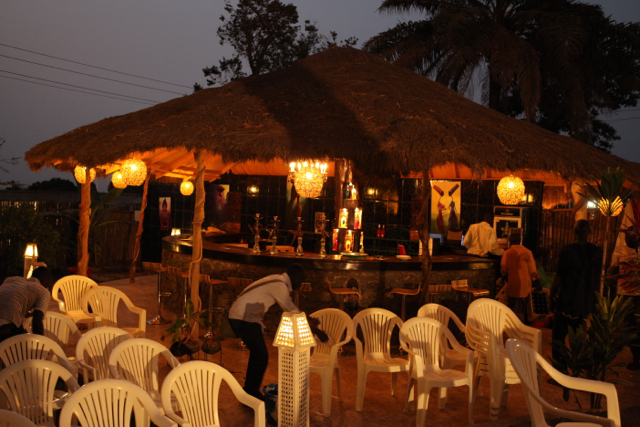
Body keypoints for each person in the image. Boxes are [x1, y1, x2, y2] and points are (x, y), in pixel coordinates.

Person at [228, 263, 306, 401]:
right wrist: (313, 326)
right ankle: (250, 392)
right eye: (300, 281)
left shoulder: (277, 279)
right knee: (260, 355)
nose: (300, 286)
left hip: (242, 316)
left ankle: (249, 390)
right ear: (294, 276)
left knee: (258, 354)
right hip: (243, 317)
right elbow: (291, 309)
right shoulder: (280, 285)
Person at [550, 219, 602, 369]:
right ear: (590, 232)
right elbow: (598, 276)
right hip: (585, 301)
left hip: (567, 299)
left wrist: (551, 294)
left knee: (558, 337)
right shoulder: (597, 252)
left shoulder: (566, 250)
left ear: (574, 232)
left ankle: (560, 370)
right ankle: (579, 369)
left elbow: (559, 276)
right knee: (580, 338)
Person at [0, 267, 53, 342]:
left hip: (5, 324)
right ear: (44, 279)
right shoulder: (43, 291)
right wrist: (41, 343)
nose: (47, 287)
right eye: (48, 285)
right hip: (5, 329)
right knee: (26, 346)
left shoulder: (11, 279)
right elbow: (37, 321)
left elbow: (7, 301)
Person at [501, 233, 539, 322]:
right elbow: (533, 270)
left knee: (513, 306)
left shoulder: (507, 253)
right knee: (523, 307)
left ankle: (513, 324)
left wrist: (504, 276)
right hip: (526, 285)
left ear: (510, 241)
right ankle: (522, 324)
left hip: (513, 283)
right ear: (520, 241)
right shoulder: (528, 252)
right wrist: (536, 279)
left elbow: (504, 268)